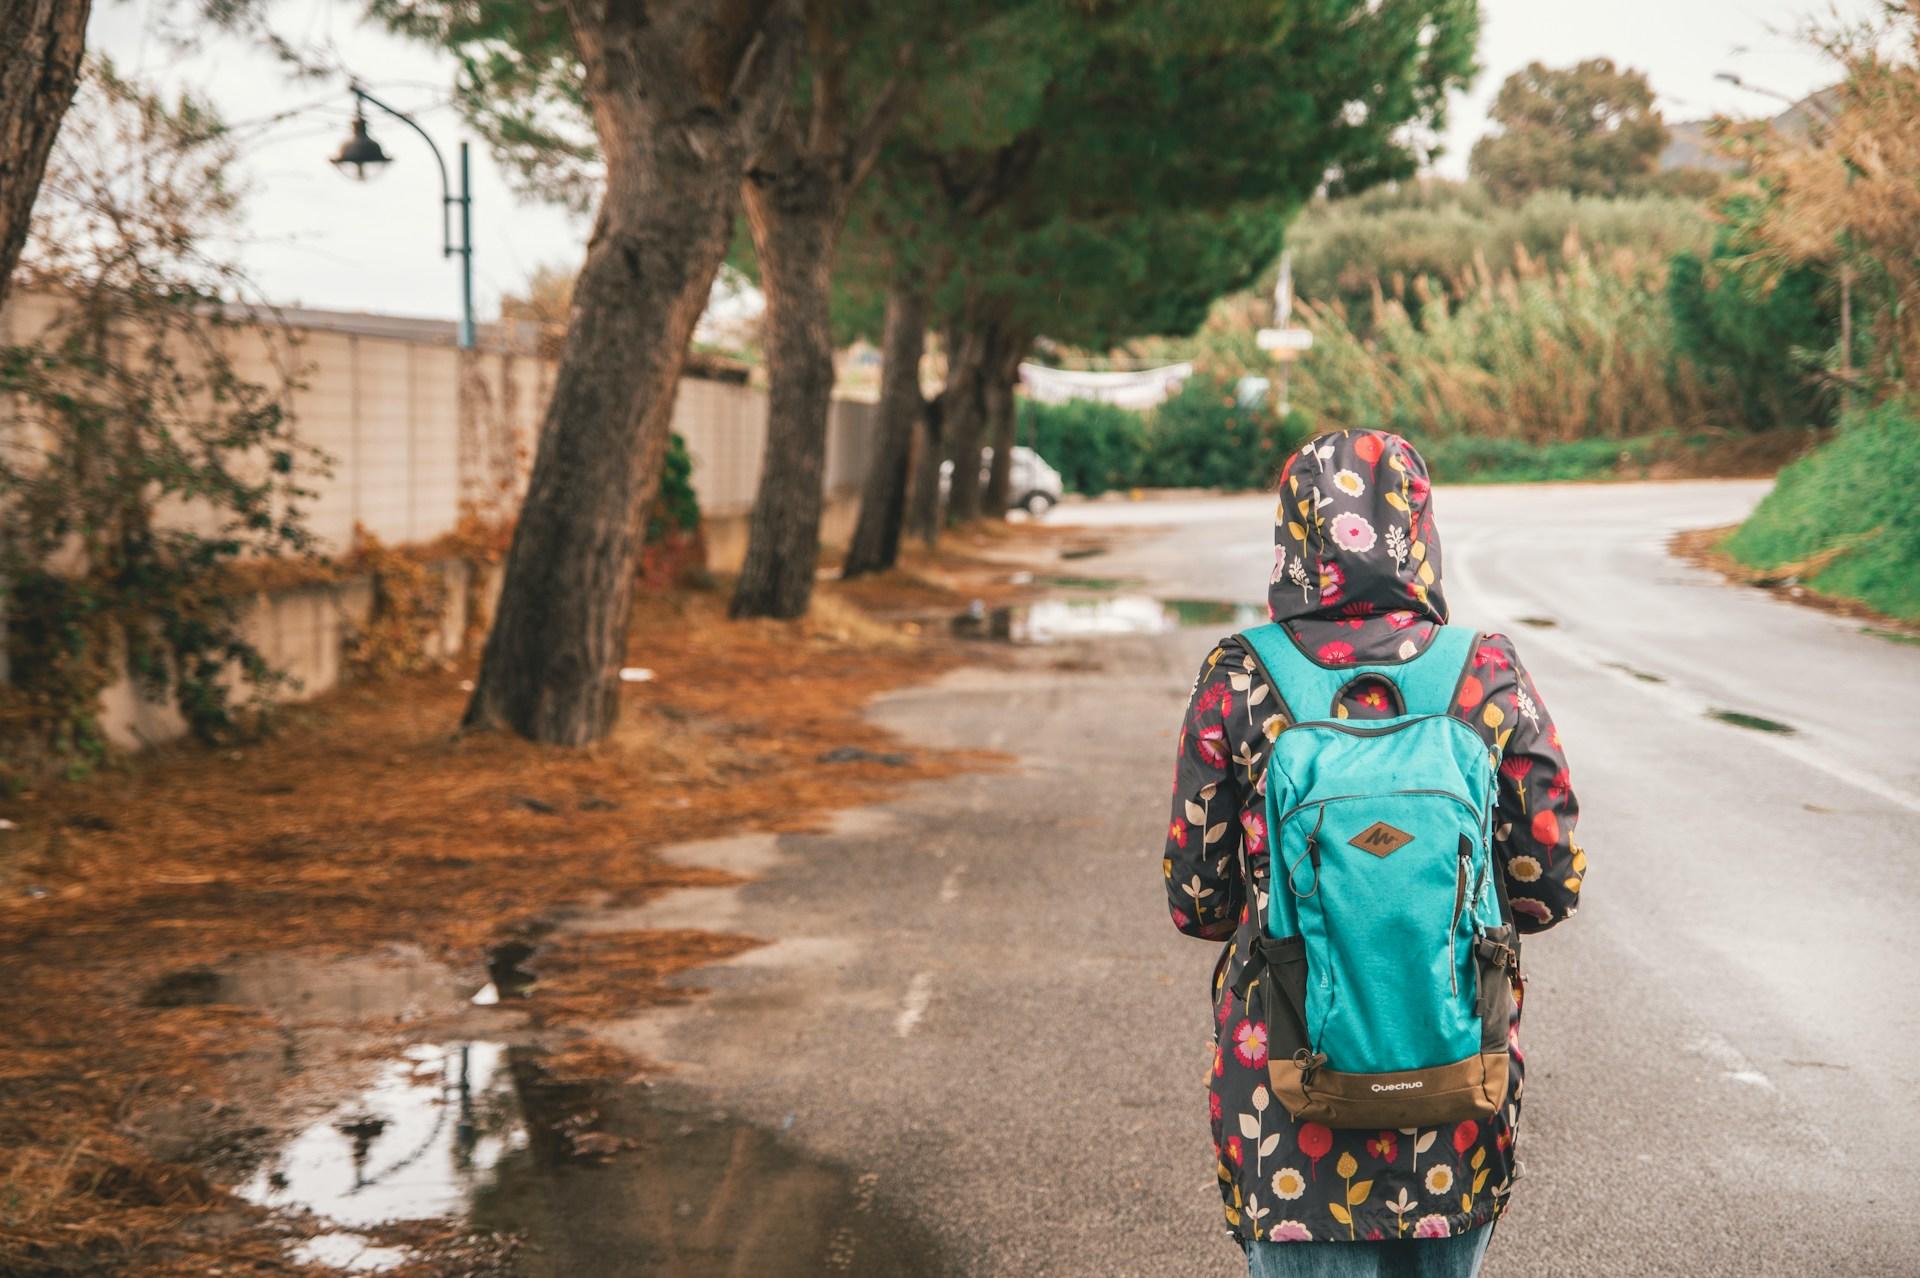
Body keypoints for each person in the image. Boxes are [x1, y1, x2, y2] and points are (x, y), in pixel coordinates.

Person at [1161, 431, 1584, 1278]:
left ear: (1293, 530)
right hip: (1456, 1091)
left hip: (1288, 1103)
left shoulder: (1240, 675)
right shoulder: (1485, 672)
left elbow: (1198, 902)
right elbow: (1546, 887)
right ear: (1418, 529)